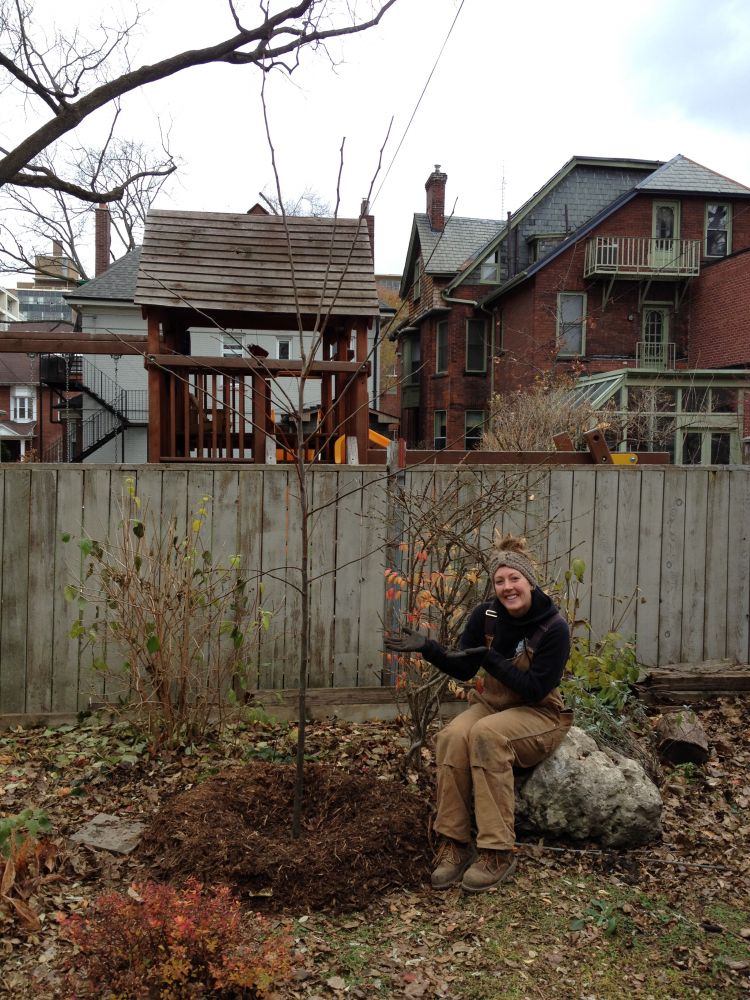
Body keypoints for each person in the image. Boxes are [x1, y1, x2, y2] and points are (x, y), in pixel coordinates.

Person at [385, 535, 572, 894]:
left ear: (529, 581)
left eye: (514, 579)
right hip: (493, 705)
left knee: (487, 735)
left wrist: (490, 659)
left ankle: (496, 851)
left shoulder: (553, 628)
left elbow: (534, 689)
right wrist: (428, 648)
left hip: (538, 713)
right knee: (453, 736)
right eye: (500, 581)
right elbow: (464, 669)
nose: (507, 587)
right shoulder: (486, 617)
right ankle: (454, 843)